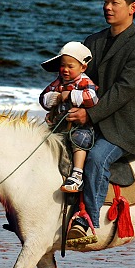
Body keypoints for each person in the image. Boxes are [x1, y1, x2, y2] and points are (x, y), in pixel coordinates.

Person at [66, 0, 135, 244]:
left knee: (95, 159)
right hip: (88, 122)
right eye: (105, 2)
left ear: (132, 8)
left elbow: (123, 91)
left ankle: (89, 222)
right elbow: (78, 80)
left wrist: (88, 115)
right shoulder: (92, 42)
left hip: (121, 130)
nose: (107, 7)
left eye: (114, 2)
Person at [39, 41, 99, 193]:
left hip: (80, 126)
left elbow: (92, 98)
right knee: (44, 139)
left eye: (70, 66)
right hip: (59, 124)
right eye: (62, 66)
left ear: (82, 67)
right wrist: (55, 98)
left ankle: (77, 175)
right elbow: (43, 98)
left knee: (79, 140)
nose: (65, 70)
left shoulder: (84, 81)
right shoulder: (59, 82)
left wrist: (70, 95)